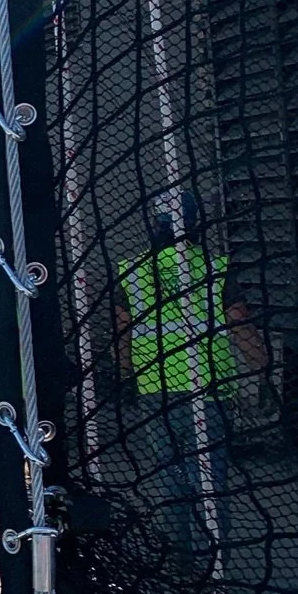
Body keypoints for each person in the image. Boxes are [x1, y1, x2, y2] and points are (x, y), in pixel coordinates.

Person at [113, 191, 263, 567]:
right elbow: (238, 321)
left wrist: (126, 376)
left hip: (155, 394)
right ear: (196, 224)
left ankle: (179, 564)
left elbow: (123, 331)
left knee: (171, 478)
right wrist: (265, 367)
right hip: (207, 392)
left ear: (156, 224)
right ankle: (212, 566)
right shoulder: (215, 268)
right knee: (209, 482)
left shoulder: (133, 271)